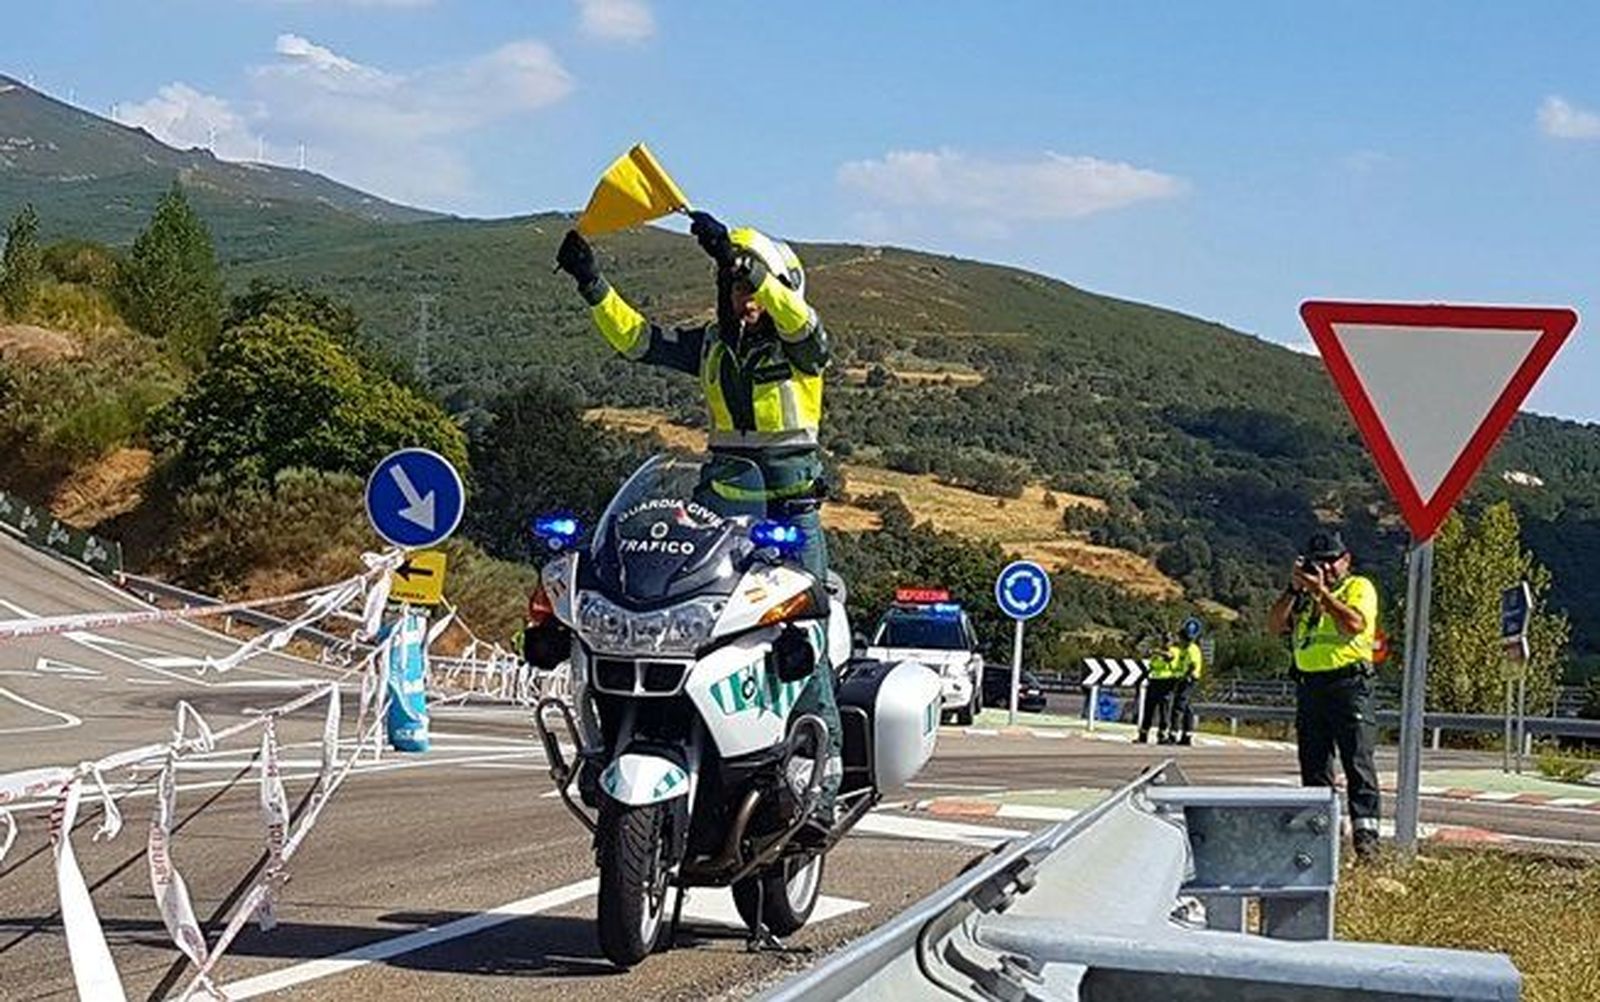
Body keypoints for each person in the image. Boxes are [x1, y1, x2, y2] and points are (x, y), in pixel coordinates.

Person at [554, 214, 841, 829]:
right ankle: (637, 740)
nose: (743, 298)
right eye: (734, 287)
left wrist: (752, 271)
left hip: (790, 510)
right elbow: (638, 341)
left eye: (750, 287)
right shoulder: (713, 345)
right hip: (724, 508)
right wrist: (592, 284)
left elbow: (801, 322)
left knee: (805, 635)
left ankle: (821, 776)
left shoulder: (801, 346)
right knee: (672, 615)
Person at [1268, 530, 1382, 860]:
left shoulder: (1358, 587)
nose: (1326, 569)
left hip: (1349, 685)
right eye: (1319, 563)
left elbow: (1354, 624)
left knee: (1357, 761)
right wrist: (1294, 589)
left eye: (1332, 561)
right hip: (1310, 687)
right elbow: (1275, 626)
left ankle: (1367, 841)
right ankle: (1321, 838)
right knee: (1314, 765)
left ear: (1346, 560)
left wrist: (1323, 594)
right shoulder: (1303, 598)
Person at [1137, 633, 1181, 744]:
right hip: (1154, 682)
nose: (1166, 642)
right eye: (1164, 640)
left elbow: (1169, 657)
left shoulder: (1175, 651)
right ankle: (1143, 734)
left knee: (1164, 710)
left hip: (1166, 683)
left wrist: (1156, 651)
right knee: (1149, 709)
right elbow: (1152, 665)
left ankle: (1162, 735)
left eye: (1168, 640)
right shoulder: (1157, 653)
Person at [1169, 621, 1204, 745]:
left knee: (1178, 707)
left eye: (1180, 638)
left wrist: (1185, 676)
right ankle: (1187, 735)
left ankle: (1173, 734)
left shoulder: (1191, 649)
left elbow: (1193, 665)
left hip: (1189, 680)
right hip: (1186, 679)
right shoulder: (1186, 649)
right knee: (1187, 707)